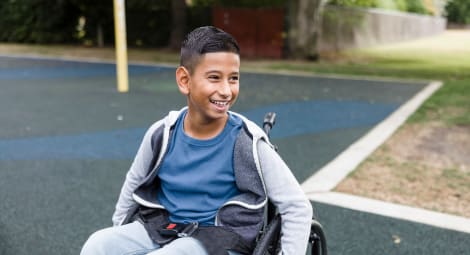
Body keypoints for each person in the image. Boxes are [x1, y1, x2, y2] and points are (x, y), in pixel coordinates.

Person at [81, 26, 313, 255]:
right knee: (97, 245)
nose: (225, 90)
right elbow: (133, 184)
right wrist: (120, 233)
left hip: (220, 239)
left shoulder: (248, 142)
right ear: (184, 80)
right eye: (214, 78)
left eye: (233, 78)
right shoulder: (162, 134)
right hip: (164, 228)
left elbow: (297, 207)